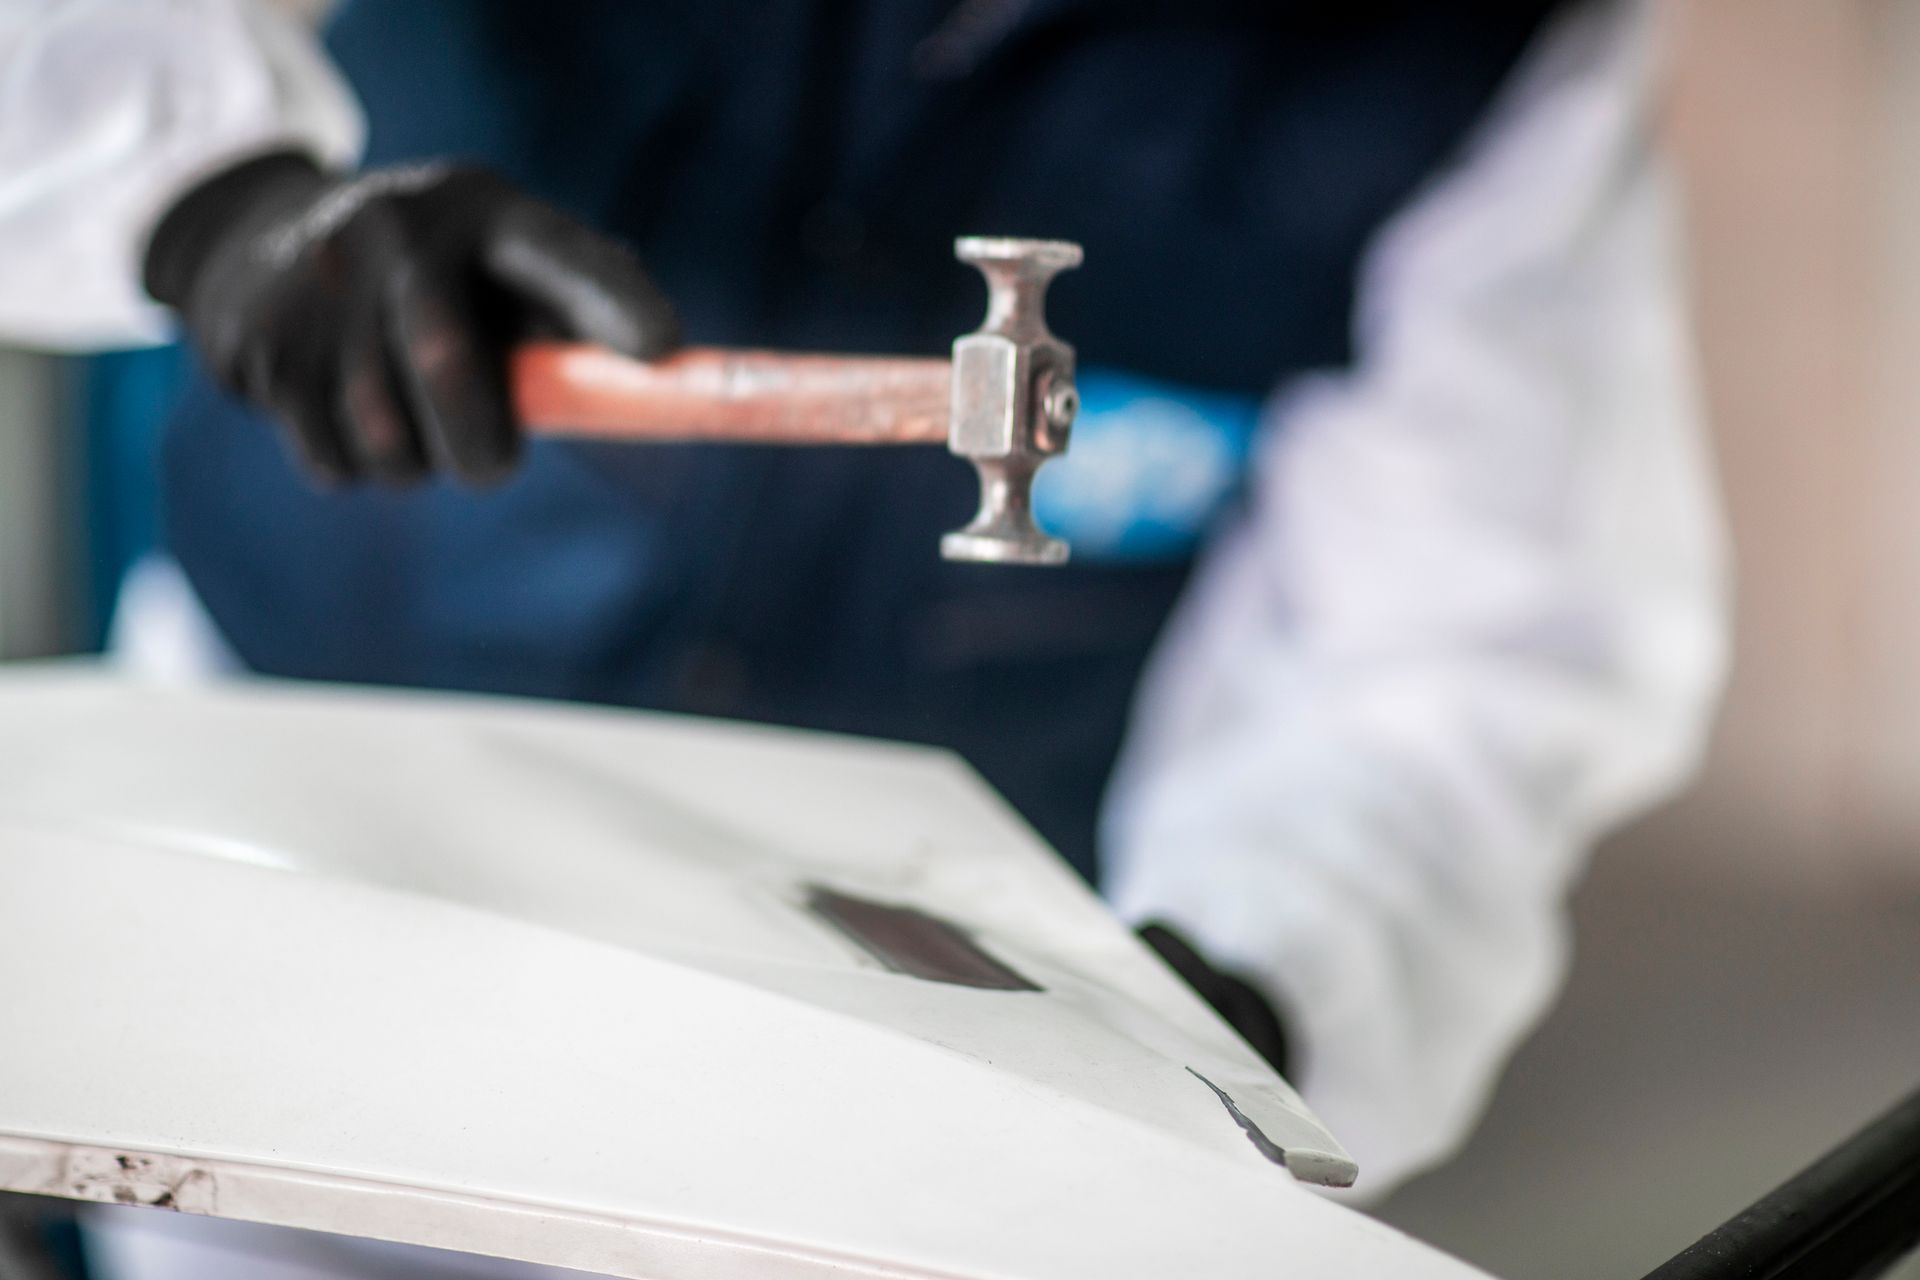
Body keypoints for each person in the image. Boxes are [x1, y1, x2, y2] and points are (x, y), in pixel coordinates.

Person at [0, 0, 1725, 1212]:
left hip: (940, 1084)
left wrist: (1232, 1014)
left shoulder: (1478, 54)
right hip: (299, 909)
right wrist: (215, 201)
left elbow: (1459, 666)